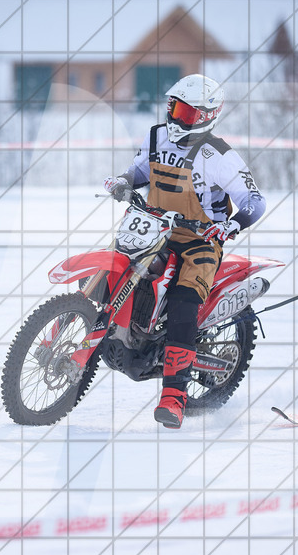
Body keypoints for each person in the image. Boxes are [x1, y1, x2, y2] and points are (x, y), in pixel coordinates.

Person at [104, 74, 265, 429]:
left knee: (183, 301)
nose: (178, 118)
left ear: (208, 116)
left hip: (200, 240)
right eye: (175, 108)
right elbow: (140, 171)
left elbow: (255, 201)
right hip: (154, 226)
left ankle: (174, 397)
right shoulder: (156, 136)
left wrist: (231, 225)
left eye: (188, 113)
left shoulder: (220, 155)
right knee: (114, 270)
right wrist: (122, 181)